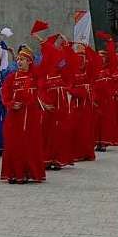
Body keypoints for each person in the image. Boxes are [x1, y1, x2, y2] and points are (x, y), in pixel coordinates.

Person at [0, 47, 46, 184]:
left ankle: (27, 173)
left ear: (29, 61)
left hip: (30, 117)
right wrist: (11, 103)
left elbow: (40, 92)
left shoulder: (34, 77)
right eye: (18, 59)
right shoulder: (11, 78)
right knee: (13, 144)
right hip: (14, 117)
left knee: (29, 144)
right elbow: (5, 94)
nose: (19, 62)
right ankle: (13, 173)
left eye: (23, 59)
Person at [38, 33, 76, 170]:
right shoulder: (43, 71)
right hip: (49, 104)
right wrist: (44, 103)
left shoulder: (61, 66)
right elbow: (39, 87)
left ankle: (59, 158)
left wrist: (65, 45)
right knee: (47, 130)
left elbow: (69, 64)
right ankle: (47, 159)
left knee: (61, 129)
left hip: (61, 103)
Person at [65, 41, 98, 162]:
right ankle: (76, 152)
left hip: (87, 102)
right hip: (76, 102)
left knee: (86, 127)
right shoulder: (72, 71)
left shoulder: (89, 70)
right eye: (78, 57)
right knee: (75, 126)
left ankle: (87, 152)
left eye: (83, 56)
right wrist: (68, 47)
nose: (81, 60)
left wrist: (87, 48)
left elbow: (95, 61)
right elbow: (69, 85)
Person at [92, 33, 118, 151]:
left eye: (103, 57)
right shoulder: (94, 72)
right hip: (96, 100)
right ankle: (96, 142)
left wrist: (110, 42)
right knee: (95, 121)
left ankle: (103, 142)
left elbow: (113, 57)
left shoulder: (109, 70)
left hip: (106, 101)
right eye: (99, 57)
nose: (101, 59)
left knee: (106, 121)